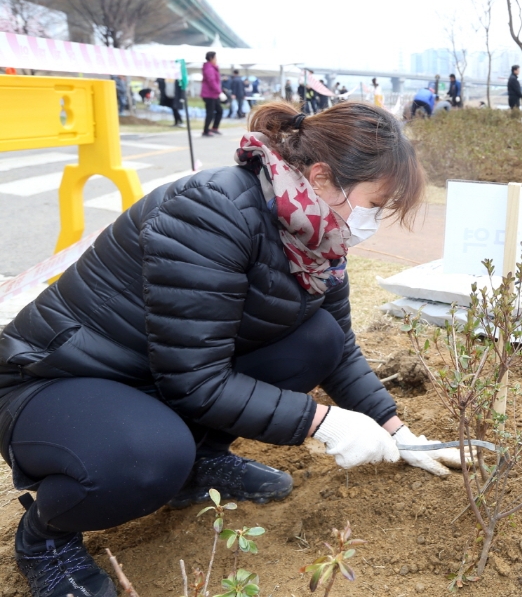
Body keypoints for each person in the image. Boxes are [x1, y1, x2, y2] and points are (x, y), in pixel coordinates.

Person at [0, 100, 462, 597]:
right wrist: (323, 422)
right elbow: (194, 381)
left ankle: (198, 466)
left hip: (158, 372)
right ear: (324, 177)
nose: (375, 220)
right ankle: (45, 538)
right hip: (57, 381)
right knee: (147, 456)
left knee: (317, 339)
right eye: (376, 204)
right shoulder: (209, 211)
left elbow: (340, 345)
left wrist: (399, 430)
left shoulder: (319, 237)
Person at [201, 51, 223, 137]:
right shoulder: (209, 68)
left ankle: (214, 128)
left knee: (219, 111)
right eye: (215, 58)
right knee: (210, 113)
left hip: (214, 94)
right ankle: (206, 130)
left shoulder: (213, 67)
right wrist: (219, 92)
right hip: (209, 95)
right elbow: (212, 81)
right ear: (211, 58)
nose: (216, 60)